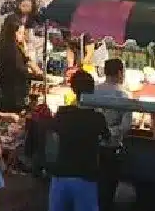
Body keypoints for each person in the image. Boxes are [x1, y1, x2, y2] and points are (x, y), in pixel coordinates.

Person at [48, 70, 108, 211]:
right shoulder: (97, 118)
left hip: (60, 175)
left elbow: (52, 139)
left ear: (73, 89)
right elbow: (107, 138)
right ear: (92, 90)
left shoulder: (62, 112)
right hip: (86, 177)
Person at [92, 58, 133, 211]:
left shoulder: (94, 90)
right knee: (108, 190)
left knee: (93, 187)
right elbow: (126, 126)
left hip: (92, 147)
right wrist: (111, 131)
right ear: (120, 73)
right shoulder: (123, 96)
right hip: (112, 148)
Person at [0, 15, 39, 112]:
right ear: (11, 33)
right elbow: (20, 71)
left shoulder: (15, 46)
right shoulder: (9, 49)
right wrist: (34, 74)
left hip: (13, 92)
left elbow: (26, 61)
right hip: (12, 94)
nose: (22, 36)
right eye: (19, 33)